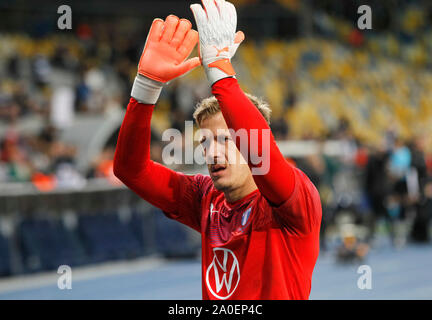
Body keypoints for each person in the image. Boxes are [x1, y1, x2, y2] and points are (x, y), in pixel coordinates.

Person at [114, 0, 321, 300]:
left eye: (225, 140)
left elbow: (260, 151)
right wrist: (145, 88)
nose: (212, 153)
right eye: (206, 142)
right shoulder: (205, 198)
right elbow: (131, 170)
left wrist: (220, 73)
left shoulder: (294, 199)